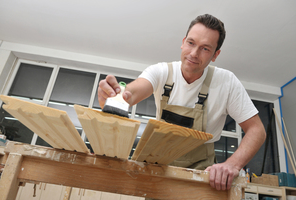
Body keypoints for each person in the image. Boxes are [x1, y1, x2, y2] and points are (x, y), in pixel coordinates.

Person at [98, 14, 266, 191]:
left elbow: (257, 130)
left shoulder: (227, 82)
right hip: (157, 171)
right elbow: (131, 94)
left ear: (216, 55)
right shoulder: (161, 72)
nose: (193, 54)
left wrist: (232, 164)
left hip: (202, 176)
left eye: (205, 49)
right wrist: (115, 97)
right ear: (183, 41)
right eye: (191, 43)